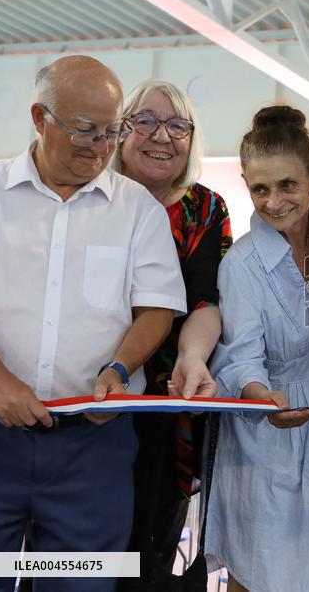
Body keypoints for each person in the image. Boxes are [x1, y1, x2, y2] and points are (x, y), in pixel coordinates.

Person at [0, 56, 186, 592]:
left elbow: (157, 308)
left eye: (111, 131)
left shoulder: (137, 209)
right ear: (39, 117)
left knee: (82, 581)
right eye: (85, 130)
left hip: (93, 446)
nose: (100, 147)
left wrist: (120, 367)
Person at [205, 105, 309, 592]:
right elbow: (240, 354)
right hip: (267, 433)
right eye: (260, 189)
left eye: (288, 185)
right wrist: (261, 396)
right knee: (259, 573)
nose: (274, 201)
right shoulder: (242, 263)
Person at [112, 80, 232, 586]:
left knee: (148, 553)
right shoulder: (95, 196)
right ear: (121, 131)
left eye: (177, 125)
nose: (162, 136)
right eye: (146, 121)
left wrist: (192, 358)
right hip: (86, 397)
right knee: (72, 550)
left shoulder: (205, 209)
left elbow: (207, 299)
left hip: (168, 401)